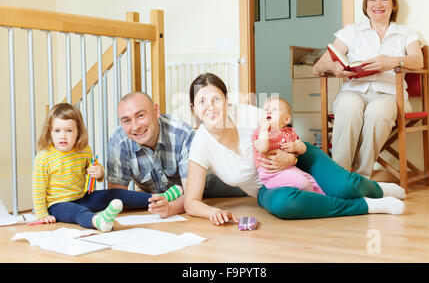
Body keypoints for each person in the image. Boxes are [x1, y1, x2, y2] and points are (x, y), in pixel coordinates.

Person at [183, 73, 407, 226]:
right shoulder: (201, 144)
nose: (210, 107)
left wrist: (290, 157)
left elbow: (285, 129)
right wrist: (213, 212)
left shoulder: (249, 114)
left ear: (226, 100)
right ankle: (366, 206)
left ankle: (377, 189)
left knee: (345, 185)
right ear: (194, 108)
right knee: (286, 205)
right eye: (202, 102)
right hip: (266, 188)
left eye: (215, 99)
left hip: (298, 155)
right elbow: (191, 201)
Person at [312, 0, 423, 178]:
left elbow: (417, 60)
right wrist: (333, 67)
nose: (377, 4)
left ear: (393, 5)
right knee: (348, 108)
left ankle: (360, 178)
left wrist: (393, 61)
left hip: (391, 95)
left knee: (377, 113)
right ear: (365, 6)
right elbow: (318, 67)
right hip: (353, 91)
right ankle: (338, 176)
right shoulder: (350, 32)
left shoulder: (407, 33)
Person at [107, 91, 246, 218]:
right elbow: (118, 200)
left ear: (156, 111)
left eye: (141, 115)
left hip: (215, 182)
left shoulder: (182, 134)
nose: (135, 126)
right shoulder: (119, 141)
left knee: (248, 184)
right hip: (173, 197)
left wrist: (170, 208)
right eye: (127, 121)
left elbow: (191, 196)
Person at [32, 103, 157, 232]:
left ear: (78, 132)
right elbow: (38, 190)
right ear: (50, 132)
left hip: (83, 197)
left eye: (69, 130)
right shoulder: (43, 158)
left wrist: (99, 172)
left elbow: (96, 171)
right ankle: (98, 221)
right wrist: (43, 215)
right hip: (57, 205)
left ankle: (158, 198)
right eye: (57, 131)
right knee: (79, 212)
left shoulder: (84, 151)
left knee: (115, 194)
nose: (62, 136)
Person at [252, 96, 325, 195]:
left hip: (289, 169)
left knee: (313, 181)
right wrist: (264, 129)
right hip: (271, 174)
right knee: (302, 183)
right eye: (266, 110)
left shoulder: (289, 132)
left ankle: (325, 200)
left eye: (274, 109)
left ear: (286, 120)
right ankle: (314, 201)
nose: (268, 112)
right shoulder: (260, 133)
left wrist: (296, 146)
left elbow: (303, 149)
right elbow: (262, 148)